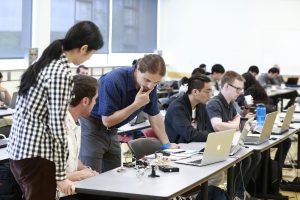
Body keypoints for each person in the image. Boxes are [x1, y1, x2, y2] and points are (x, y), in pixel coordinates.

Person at [7, 21, 104, 200]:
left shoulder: (46, 60)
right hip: (37, 155)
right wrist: (60, 176)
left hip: (20, 152)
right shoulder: (61, 72)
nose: (89, 59)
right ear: (83, 48)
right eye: (91, 54)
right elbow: (57, 127)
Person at [80, 54, 178, 173]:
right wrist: (136, 105)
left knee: (114, 175)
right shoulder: (113, 80)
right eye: (147, 80)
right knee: (91, 177)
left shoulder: (150, 86)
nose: (150, 86)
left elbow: (155, 116)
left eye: (156, 83)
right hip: (92, 127)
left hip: (113, 131)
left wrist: (167, 144)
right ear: (137, 69)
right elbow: (107, 121)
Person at [206, 71, 261, 198]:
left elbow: (238, 118)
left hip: (226, 143)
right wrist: (237, 126)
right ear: (226, 86)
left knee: (255, 155)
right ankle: (233, 194)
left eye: (241, 89)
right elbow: (218, 126)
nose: (240, 92)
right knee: (245, 159)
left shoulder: (230, 102)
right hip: (212, 147)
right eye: (238, 89)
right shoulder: (215, 103)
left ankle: (238, 192)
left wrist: (233, 125)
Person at [59, 75, 100, 200]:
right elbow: (44, 175)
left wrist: (87, 170)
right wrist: (79, 175)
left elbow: (72, 158)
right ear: (85, 101)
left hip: (72, 188)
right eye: (95, 100)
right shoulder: (57, 126)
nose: (96, 103)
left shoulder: (76, 120)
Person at [165, 74, 212, 143]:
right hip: (179, 148)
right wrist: (211, 136)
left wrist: (210, 135)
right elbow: (190, 135)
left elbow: (210, 129)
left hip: (196, 145)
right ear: (195, 92)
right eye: (207, 92)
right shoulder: (177, 108)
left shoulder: (201, 105)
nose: (210, 95)